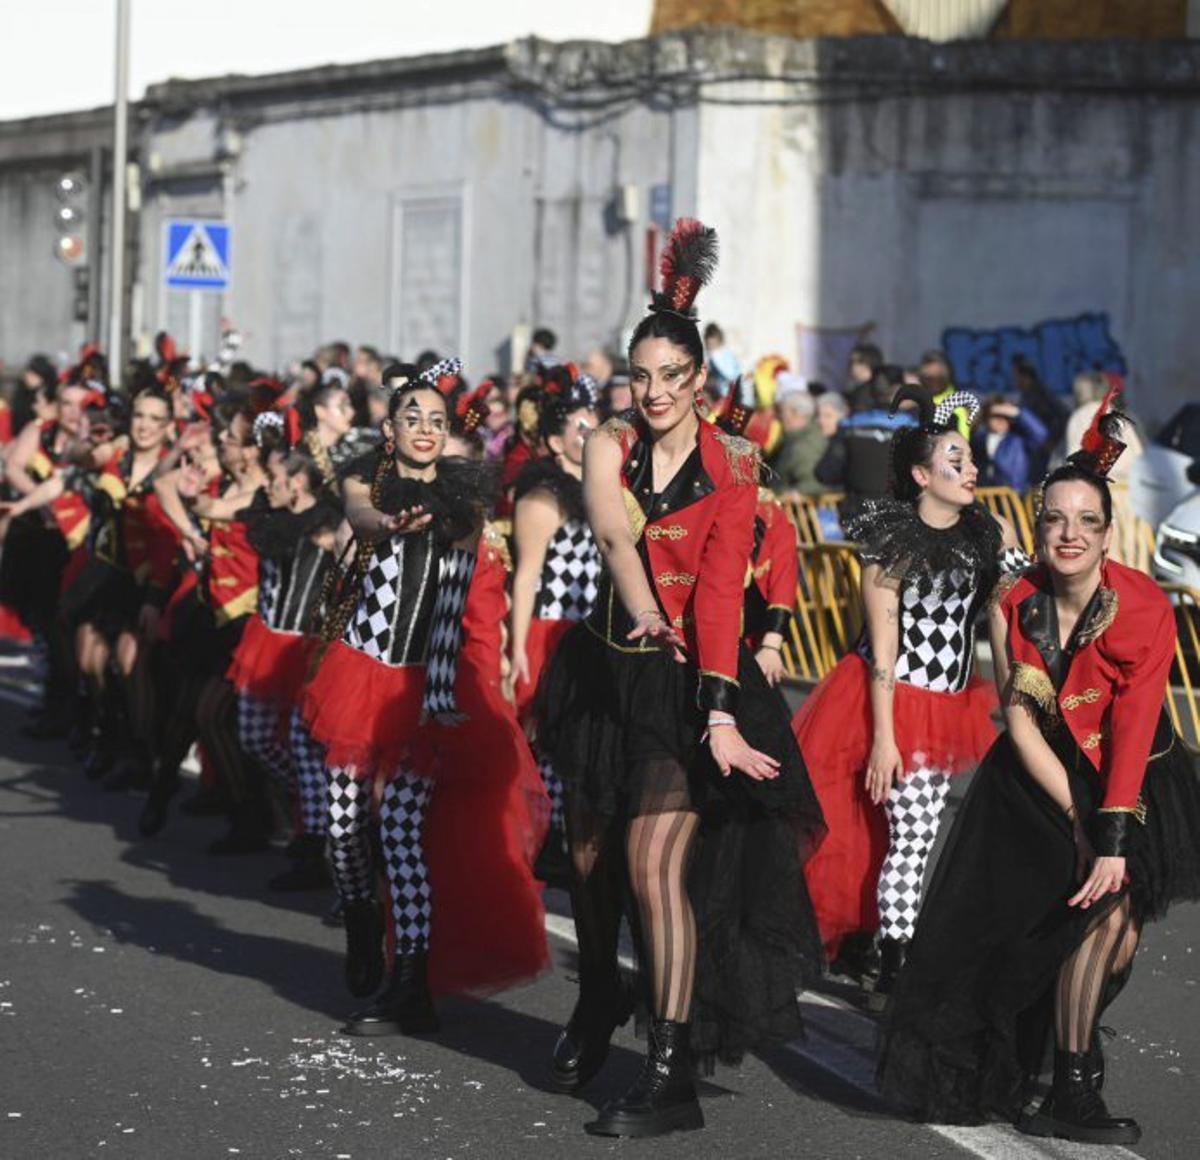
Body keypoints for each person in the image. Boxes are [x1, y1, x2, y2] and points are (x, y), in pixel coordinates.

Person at [538, 219, 825, 1138]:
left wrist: (719, 713)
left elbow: (715, 596)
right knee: (586, 860)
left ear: (700, 380)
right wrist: (644, 611)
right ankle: (596, 1005)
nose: (654, 392)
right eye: (641, 376)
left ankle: (668, 1072)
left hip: (694, 679)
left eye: (672, 376)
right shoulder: (607, 444)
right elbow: (616, 538)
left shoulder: (735, 465)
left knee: (651, 862)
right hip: (606, 667)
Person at [879, 396, 1200, 1144]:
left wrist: (1110, 833)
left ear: (1106, 531)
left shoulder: (1145, 607)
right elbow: (1020, 721)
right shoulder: (1013, 600)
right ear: (1037, 524)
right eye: (1054, 519)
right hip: (1038, 780)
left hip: (1131, 774)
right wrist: (1077, 821)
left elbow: (1133, 723)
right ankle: (1074, 1088)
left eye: (1086, 521)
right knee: (1076, 923)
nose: (1069, 534)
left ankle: (1063, 1056)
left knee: (1118, 935)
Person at [301, 362, 546, 1035]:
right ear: (389, 428)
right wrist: (385, 521)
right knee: (344, 830)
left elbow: (452, 611)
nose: (427, 429)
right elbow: (360, 516)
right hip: (360, 674)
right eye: (413, 417)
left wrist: (441, 693)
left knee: (404, 834)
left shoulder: (466, 504)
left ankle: (412, 985)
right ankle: (358, 910)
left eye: (438, 420)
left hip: (424, 683)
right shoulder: (366, 480)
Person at [793, 389, 1027, 1002]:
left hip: (950, 703)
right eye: (956, 459)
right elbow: (885, 650)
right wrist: (885, 740)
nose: (971, 469)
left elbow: (1011, 604)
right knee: (913, 834)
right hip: (890, 699)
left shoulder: (986, 533)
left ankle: (880, 945)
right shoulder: (891, 543)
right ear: (922, 475)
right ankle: (897, 964)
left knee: (904, 834)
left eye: (972, 459)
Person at [228, 431, 341, 889]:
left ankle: (312, 844)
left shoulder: (328, 523)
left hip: (306, 646)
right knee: (255, 737)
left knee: (303, 746)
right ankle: (311, 807)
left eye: (275, 477)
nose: (266, 484)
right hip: (266, 638)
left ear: (297, 483)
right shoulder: (270, 516)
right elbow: (212, 509)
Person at [509, 367, 601, 854]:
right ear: (553, 440)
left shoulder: (601, 490)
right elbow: (525, 577)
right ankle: (538, 835)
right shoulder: (543, 496)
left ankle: (562, 835)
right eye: (579, 429)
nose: (590, 435)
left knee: (575, 742)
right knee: (541, 738)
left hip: (586, 632)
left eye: (595, 425)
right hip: (547, 633)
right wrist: (517, 647)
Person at [815, 368, 916, 505]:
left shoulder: (850, 426)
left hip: (858, 512)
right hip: (901, 512)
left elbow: (826, 473)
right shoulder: (914, 427)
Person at [973, 396, 1050, 493]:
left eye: (1006, 416)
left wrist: (1017, 412)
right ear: (986, 417)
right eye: (995, 415)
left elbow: (1041, 434)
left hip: (1014, 498)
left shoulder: (1018, 439)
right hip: (985, 496)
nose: (1001, 419)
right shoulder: (977, 440)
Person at [768, 374, 827, 495]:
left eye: (783, 412)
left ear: (795, 413)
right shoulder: (795, 439)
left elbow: (813, 484)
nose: (779, 417)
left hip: (797, 511)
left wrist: (794, 493)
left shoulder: (804, 446)